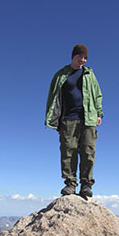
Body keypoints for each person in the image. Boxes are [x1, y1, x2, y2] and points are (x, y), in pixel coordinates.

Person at [45, 44, 103, 198]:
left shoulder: (89, 74)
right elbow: (52, 97)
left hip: (88, 119)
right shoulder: (61, 75)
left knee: (88, 151)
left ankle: (86, 185)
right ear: (73, 56)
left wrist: (99, 114)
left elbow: (98, 95)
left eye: (85, 58)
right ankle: (70, 184)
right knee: (68, 151)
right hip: (68, 118)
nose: (82, 60)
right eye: (80, 56)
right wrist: (54, 118)